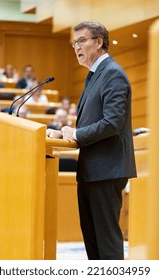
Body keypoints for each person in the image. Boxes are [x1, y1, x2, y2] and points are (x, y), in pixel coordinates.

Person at [46, 21, 137, 260]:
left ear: (99, 42)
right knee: (93, 242)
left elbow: (112, 123)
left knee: (106, 244)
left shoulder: (112, 73)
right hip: (92, 170)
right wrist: (63, 133)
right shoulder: (95, 75)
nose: (76, 46)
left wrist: (75, 134)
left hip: (106, 170)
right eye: (74, 42)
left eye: (82, 40)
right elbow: (94, 124)